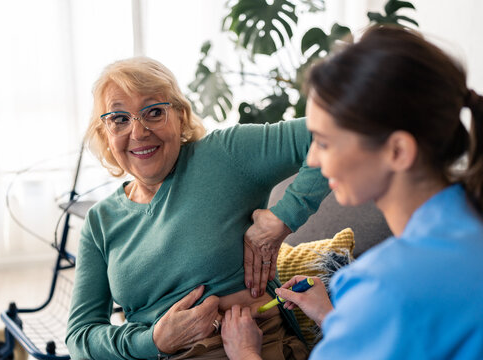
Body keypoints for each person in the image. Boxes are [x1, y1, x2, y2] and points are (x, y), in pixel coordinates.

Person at [221, 25, 483, 359]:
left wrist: (245, 352)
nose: (313, 158)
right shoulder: (471, 227)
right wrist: (334, 317)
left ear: (397, 151)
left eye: (324, 142)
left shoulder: (384, 287)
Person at [65, 57, 329, 359]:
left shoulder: (223, 156)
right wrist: (154, 340)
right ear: (104, 134)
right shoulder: (100, 222)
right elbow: (80, 337)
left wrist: (282, 218)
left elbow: (331, 133)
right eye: (119, 119)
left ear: (180, 116)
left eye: (154, 112)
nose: (138, 133)